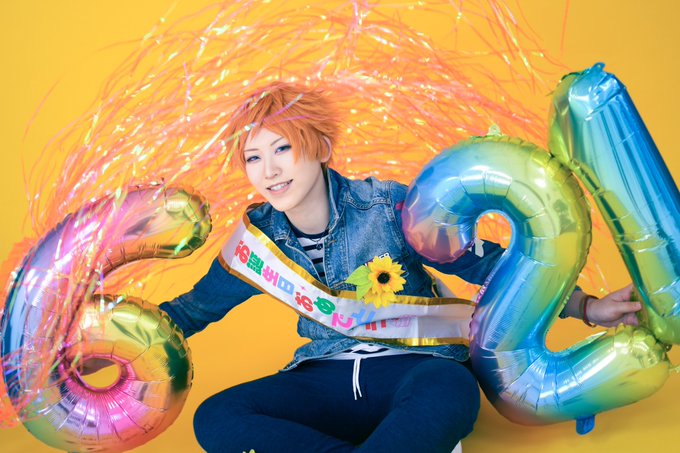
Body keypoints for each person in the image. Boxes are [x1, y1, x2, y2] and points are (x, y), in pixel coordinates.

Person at [157, 82, 642, 452]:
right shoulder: (258, 240)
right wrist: (118, 341)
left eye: (283, 148)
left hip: (414, 370)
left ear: (321, 147)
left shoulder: (388, 206)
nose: (269, 170)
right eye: (253, 157)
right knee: (217, 417)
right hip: (323, 378)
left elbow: (489, 267)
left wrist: (586, 307)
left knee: (451, 389)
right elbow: (191, 312)